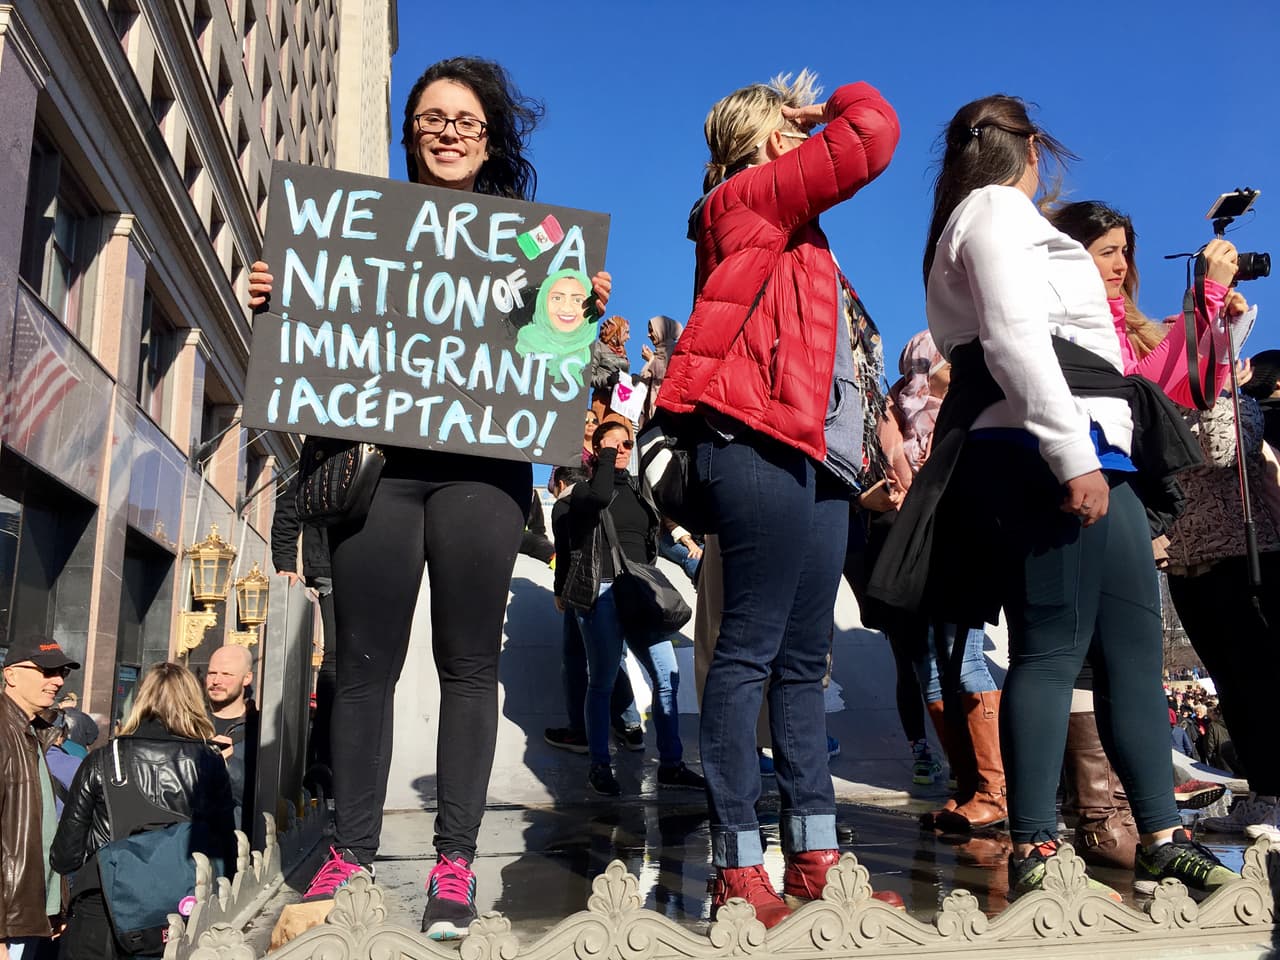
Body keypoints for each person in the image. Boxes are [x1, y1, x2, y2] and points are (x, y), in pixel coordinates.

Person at [247, 56, 613, 939]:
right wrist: (273, 300)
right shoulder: (354, 227)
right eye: (432, 118)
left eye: (466, 121)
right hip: (377, 470)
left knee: (468, 667)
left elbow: (566, 363)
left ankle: (455, 863)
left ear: (491, 141)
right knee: (362, 666)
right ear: (409, 133)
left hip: (481, 477)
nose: (448, 132)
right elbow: (309, 343)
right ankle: (350, 853)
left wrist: (585, 316)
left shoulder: (532, 237)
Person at [889, 94, 1237, 899]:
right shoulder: (992, 212)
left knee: (1132, 655)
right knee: (1050, 649)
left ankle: (1160, 830)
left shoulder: (992, 215)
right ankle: (1036, 845)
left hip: (1090, 449)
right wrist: (1070, 453)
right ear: (1034, 146)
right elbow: (1013, 335)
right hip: (1044, 450)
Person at [657, 69, 899, 927]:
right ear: (766, 141)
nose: (809, 146)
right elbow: (871, 133)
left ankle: (815, 853)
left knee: (803, 664)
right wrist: (833, 107)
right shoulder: (745, 201)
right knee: (748, 654)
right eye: (794, 135)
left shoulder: (798, 234)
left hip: (820, 457)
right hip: (751, 437)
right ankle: (735, 857)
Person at [1050, 201, 1276, 842]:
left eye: (1126, 251)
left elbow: (1192, 400)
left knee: (1182, 659)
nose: (1121, 265)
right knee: (1092, 657)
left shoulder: (1148, 329)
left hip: (1201, 528)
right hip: (1144, 520)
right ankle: (1100, 809)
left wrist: (1214, 330)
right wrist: (1203, 302)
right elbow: (1144, 395)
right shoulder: (1077, 327)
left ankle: (1131, 808)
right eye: (1106, 251)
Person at [51, 662, 235, 960]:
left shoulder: (102, 759)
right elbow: (226, 849)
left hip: (102, 912)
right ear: (193, 702)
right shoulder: (209, 762)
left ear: (141, 699)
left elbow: (64, 855)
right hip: (181, 913)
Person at [560, 420, 705, 796]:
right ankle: (599, 765)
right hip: (602, 591)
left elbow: (660, 522)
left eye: (628, 444)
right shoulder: (583, 491)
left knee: (667, 676)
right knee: (603, 679)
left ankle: (672, 764)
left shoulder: (640, 491)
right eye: (617, 444)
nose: (625, 449)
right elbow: (599, 496)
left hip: (639, 594)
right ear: (598, 450)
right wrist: (604, 454)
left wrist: (681, 535)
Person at [544, 464, 644, 754]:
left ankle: (580, 732)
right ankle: (630, 725)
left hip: (585, 589)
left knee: (576, 658)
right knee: (615, 658)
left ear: (561, 483)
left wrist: (559, 590)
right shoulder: (607, 496)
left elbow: (565, 551)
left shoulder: (565, 503)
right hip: (624, 583)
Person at [1, 637, 78, 960]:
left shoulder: (33, 732)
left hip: (28, 913)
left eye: (61, 672)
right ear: (11, 675)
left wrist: (52, 904)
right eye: (46, 671)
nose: (57, 681)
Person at [204, 644, 258, 832]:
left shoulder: (259, 730)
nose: (216, 681)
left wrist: (229, 765)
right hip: (187, 839)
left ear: (247, 678)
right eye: (212, 673)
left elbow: (261, 795)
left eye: (227, 675)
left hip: (237, 841)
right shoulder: (190, 723)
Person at [638, 315, 682, 426]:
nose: (649, 335)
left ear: (662, 329)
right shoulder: (657, 354)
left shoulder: (676, 350)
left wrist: (651, 360)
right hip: (650, 417)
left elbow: (670, 375)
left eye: (651, 330)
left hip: (667, 414)